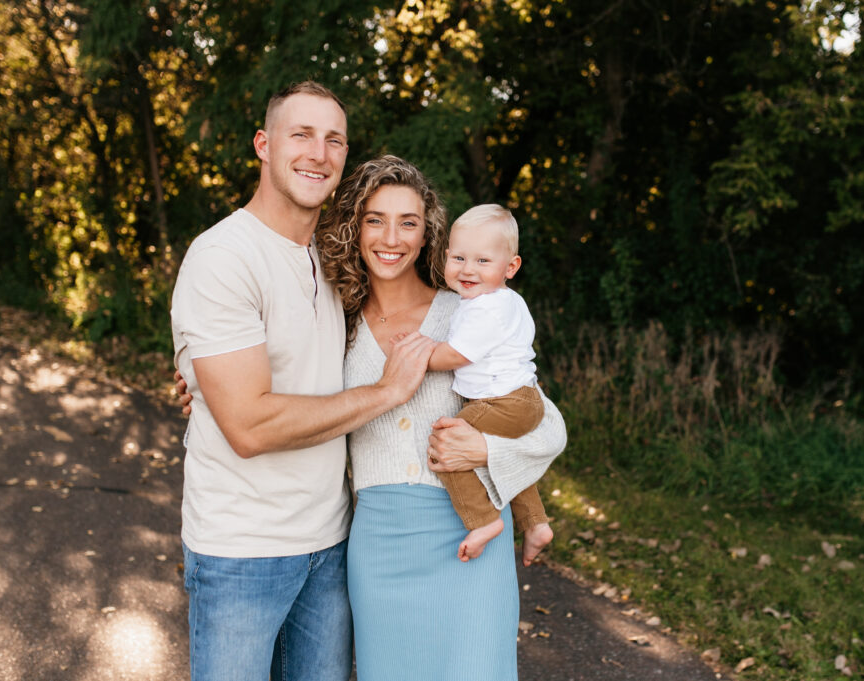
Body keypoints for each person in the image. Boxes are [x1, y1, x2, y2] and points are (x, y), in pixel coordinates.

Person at [169, 82, 438, 681]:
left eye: (334, 139)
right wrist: (386, 394)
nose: (319, 152)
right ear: (263, 145)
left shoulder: (334, 255)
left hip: (332, 544)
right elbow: (247, 425)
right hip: (242, 552)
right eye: (302, 134)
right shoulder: (223, 257)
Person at [316, 155, 567, 681]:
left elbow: (547, 424)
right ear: (354, 227)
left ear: (427, 235)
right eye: (374, 219)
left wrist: (488, 451)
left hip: (468, 537)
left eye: (408, 222)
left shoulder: (469, 309)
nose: (391, 237)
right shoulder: (332, 323)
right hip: (379, 541)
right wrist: (197, 383)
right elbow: (274, 384)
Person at [420, 204, 555, 564]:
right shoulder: (499, 301)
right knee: (505, 459)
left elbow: (456, 355)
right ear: (446, 256)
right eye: (460, 258)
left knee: (448, 442)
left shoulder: (487, 309)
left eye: (483, 261)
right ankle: (535, 524)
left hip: (505, 402)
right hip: (519, 399)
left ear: (510, 267)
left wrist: (418, 354)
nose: (467, 269)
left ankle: (483, 521)